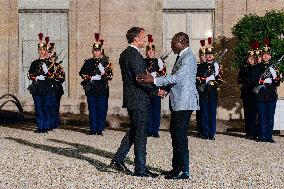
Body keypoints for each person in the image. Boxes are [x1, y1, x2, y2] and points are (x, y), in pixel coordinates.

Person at [137, 32, 199, 179]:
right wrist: (166, 89)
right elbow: (178, 80)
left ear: (181, 41)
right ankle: (175, 168)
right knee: (175, 134)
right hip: (179, 100)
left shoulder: (188, 57)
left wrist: (155, 80)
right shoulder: (182, 56)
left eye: (173, 42)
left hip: (185, 102)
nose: (171, 45)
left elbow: (178, 77)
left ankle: (184, 170)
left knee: (180, 136)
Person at [110, 27, 158, 178]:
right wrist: (156, 91)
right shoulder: (135, 55)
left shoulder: (125, 54)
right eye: (143, 37)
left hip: (132, 98)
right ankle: (140, 168)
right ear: (136, 39)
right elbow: (140, 79)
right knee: (140, 134)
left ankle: (117, 160)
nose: (145, 40)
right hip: (139, 99)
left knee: (134, 131)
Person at [79, 33, 109, 135]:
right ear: (93, 51)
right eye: (95, 50)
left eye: (98, 50)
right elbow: (81, 73)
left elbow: (110, 76)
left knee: (101, 109)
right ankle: (93, 129)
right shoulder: (88, 62)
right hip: (91, 88)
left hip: (101, 88)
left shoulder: (106, 62)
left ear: (101, 51)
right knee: (92, 109)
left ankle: (99, 129)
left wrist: (103, 72)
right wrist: (88, 77)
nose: (96, 52)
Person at [27, 33, 57, 133]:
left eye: (43, 50)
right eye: (40, 50)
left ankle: (46, 126)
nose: (42, 52)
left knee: (46, 107)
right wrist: (35, 77)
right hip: (37, 87)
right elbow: (29, 74)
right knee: (38, 107)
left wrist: (46, 72)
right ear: (38, 51)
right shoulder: (34, 63)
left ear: (45, 51)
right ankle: (40, 126)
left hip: (46, 87)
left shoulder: (50, 63)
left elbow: (52, 76)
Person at [252, 38, 280, 143]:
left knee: (270, 116)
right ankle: (262, 136)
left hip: (271, 93)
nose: (265, 56)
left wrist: (275, 76)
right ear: (261, 56)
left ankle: (269, 136)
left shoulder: (274, 67)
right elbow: (254, 80)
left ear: (270, 56)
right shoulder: (257, 67)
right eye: (264, 54)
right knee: (262, 116)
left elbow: (277, 83)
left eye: (267, 54)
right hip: (261, 93)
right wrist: (261, 79)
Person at [196, 37, 222, 140]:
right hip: (203, 92)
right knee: (204, 113)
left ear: (213, 55)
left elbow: (220, 80)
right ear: (205, 56)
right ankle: (205, 133)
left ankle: (212, 133)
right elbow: (197, 78)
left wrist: (215, 74)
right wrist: (204, 79)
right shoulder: (200, 66)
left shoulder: (217, 66)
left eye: (211, 54)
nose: (209, 56)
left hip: (212, 93)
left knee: (212, 114)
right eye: (207, 54)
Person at [145, 34, 166, 138]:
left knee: (156, 111)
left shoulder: (159, 61)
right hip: (146, 89)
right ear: (146, 52)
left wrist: (162, 89)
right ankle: (148, 130)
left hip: (156, 88)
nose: (150, 53)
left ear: (154, 52)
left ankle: (155, 130)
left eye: (152, 51)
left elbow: (164, 76)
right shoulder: (143, 61)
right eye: (148, 51)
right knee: (148, 111)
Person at [238, 42, 257, 139]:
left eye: (253, 58)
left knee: (254, 113)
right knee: (247, 113)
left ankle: (254, 132)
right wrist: (246, 80)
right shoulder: (244, 68)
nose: (251, 60)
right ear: (247, 59)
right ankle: (248, 132)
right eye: (250, 58)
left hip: (255, 93)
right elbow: (239, 79)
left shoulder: (257, 68)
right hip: (246, 93)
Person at [48, 43, 66, 130]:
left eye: (53, 57)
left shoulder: (59, 67)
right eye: (50, 57)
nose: (51, 59)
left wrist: (55, 76)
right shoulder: (45, 66)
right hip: (47, 89)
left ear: (55, 58)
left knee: (55, 106)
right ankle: (47, 123)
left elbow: (63, 78)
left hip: (56, 89)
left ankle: (55, 123)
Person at [196, 39, 207, 137]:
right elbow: (195, 76)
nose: (203, 57)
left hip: (207, 90)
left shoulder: (209, 66)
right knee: (199, 111)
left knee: (206, 111)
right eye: (201, 55)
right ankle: (200, 129)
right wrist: (200, 79)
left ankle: (205, 130)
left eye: (204, 55)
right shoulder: (197, 66)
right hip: (199, 89)